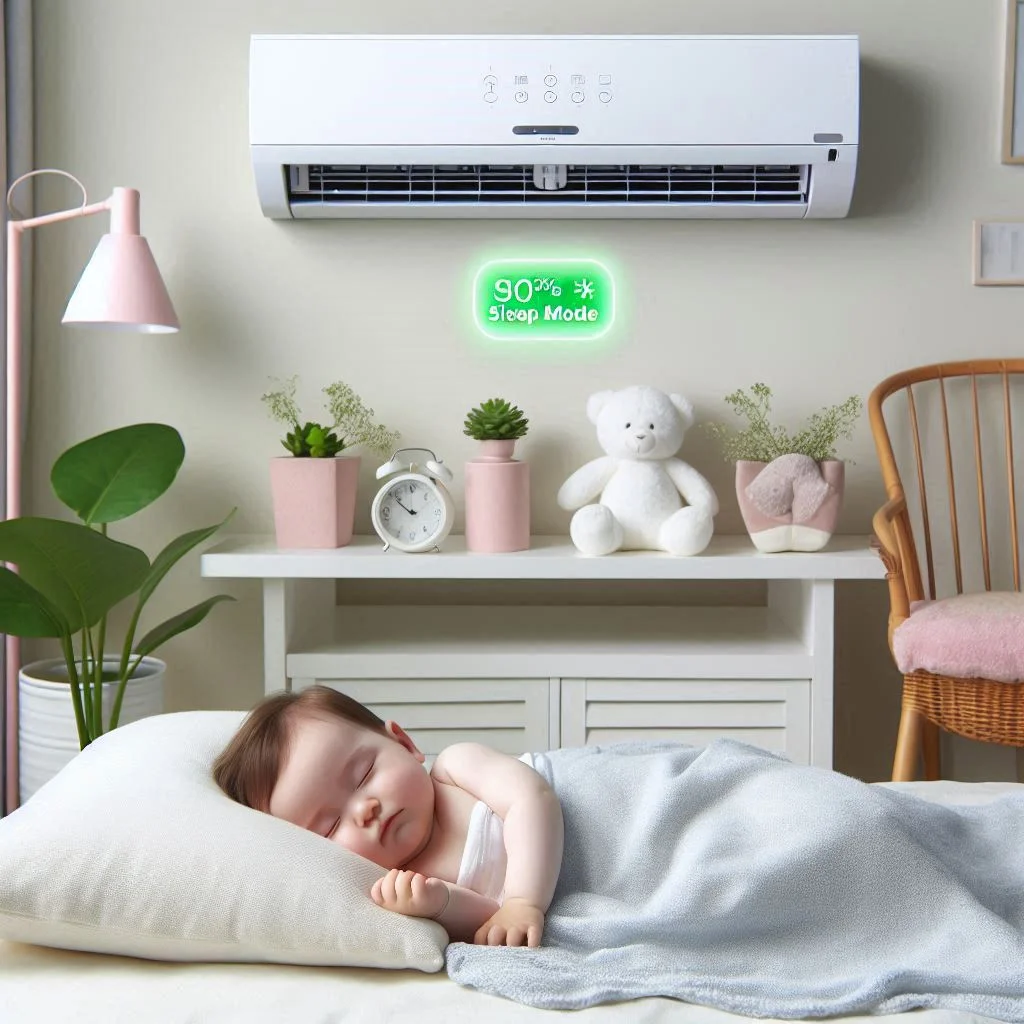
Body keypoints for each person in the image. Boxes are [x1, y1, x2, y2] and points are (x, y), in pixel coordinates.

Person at [212, 685, 564, 948]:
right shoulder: (399, 885)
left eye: (364, 774)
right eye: (330, 826)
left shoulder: (457, 768)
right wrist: (439, 904)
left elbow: (532, 797)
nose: (364, 809)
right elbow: (491, 920)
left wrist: (524, 901)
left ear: (404, 743)